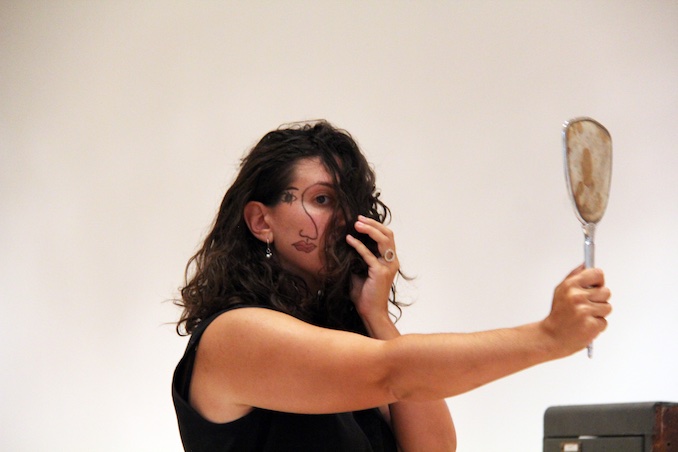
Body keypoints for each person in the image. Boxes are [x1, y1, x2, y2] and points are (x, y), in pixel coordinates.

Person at [172, 120, 612, 451]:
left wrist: (376, 316)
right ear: (261, 221)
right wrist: (548, 337)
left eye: (350, 203)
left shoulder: (341, 338)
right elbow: (394, 373)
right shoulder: (235, 335)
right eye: (323, 200)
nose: (345, 219)